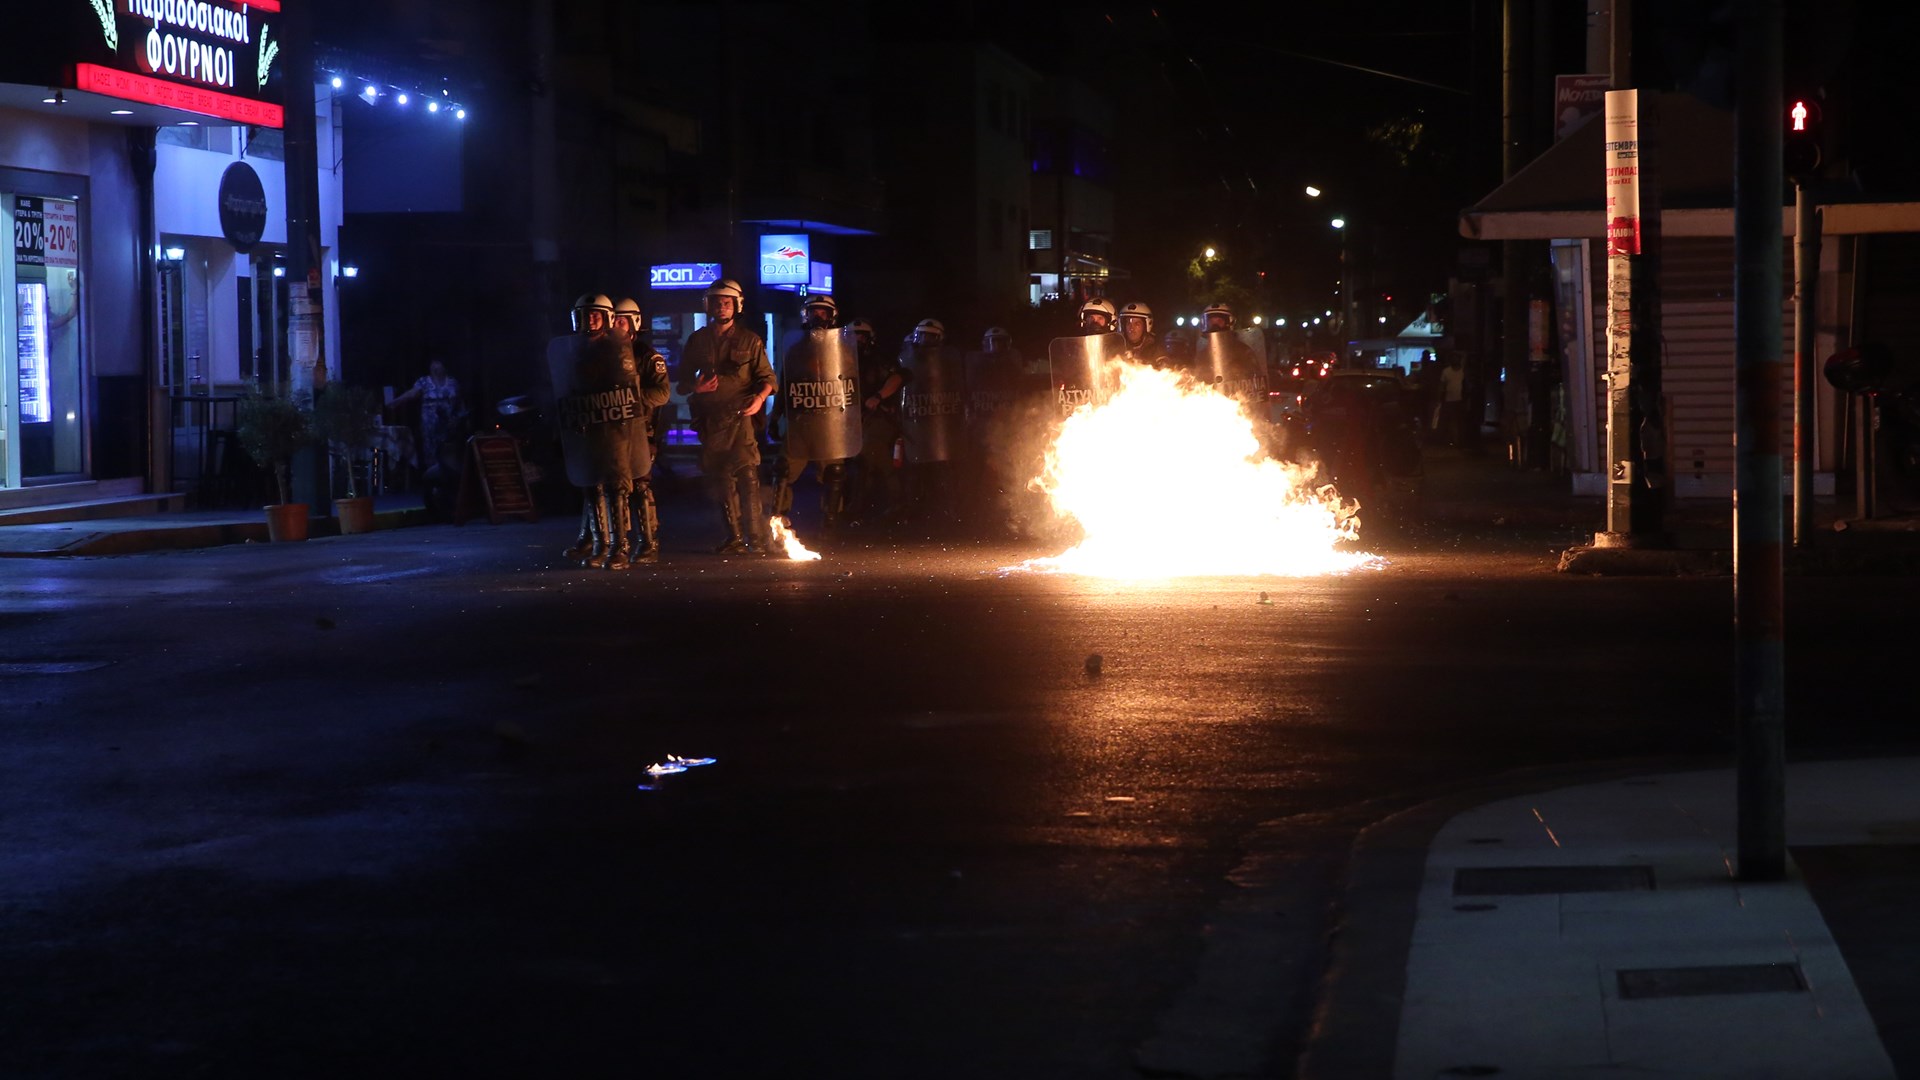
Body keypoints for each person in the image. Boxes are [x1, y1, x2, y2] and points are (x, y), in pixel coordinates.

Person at [678, 277, 775, 555]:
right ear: (708, 306)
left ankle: (754, 537)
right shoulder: (697, 340)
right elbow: (682, 380)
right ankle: (733, 537)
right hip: (711, 420)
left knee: (747, 475)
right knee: (721, 478)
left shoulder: (750, 340)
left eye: (727, 303)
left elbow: (767, 378)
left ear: (736, 306)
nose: (722, 307)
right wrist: (694, 387)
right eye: (717, 303)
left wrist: (759, 399)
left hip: (741, 416)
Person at [551, 293, 640, 570]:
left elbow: (626, 388)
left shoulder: (616, 347)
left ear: (607, 318)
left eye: (596, 314)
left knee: (616, 487)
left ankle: (620, 548)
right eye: (587, 314)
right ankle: (599, 546)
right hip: (586, 426)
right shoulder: (574, 350)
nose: (591, 319)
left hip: (613, 428)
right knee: (592, 486)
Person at [771, 294, 854, 532]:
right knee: (783, 469)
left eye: (823, 313)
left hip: (831, 423)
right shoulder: (796, 350)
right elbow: (785, 385)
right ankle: (777, 523)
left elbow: (850, 386)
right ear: (805, 316)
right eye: (813, 312)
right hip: (801, 422)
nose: (818, 317)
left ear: (831, 317)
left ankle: (831, 522)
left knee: (834, 473)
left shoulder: (842, 350)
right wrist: (775, 417)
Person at [612, 296, 673, 561]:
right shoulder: (604, 354)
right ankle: (618, 543)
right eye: (613, 319)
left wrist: (631, 395)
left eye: (622, 320)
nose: (616, 325)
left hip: (641, 429)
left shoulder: (648, 356)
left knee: (640, 485)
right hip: (613, 429)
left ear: (634, 323)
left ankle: (648, 542)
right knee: (614, 486)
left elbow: (662, 394)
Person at [848, 317, 905, 525]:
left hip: (880, 417)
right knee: (861, 464)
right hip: (853, 419)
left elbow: (898, 377)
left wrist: (878, 396)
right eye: (852, 336)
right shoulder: (841, 359)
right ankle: (857, 510)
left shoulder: (878, 358)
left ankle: (897, 506)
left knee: (872, 455)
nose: (856, 340)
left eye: (860, 336)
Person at [390, 356, 464, 474]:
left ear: (444, 366)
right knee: (431, 452)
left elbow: (460, 403)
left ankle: (449, 479)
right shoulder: (424, 382)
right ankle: (434, 482)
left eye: (438, 363)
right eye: (433, 363)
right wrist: (396, 401)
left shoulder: (452, 382)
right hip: (430, 426)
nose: (435, 367)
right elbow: (412, 394)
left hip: (449, 426)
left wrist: (460, 419)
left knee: (448, 452)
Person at [1115, 302, 1168, 366]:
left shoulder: (1156, 349)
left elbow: (1164, 368)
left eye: (1137, 324)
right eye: (1128, 323)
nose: (1131, 328)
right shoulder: (1116, 346)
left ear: (1145, 326)